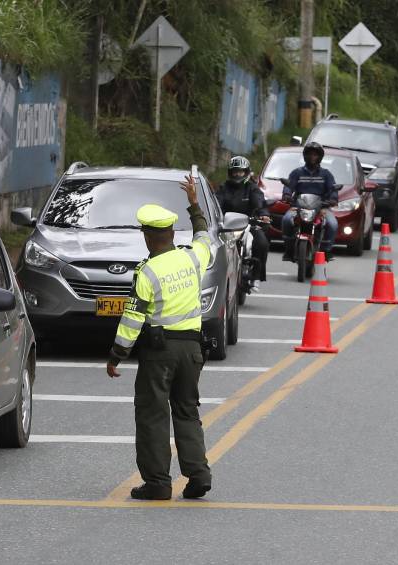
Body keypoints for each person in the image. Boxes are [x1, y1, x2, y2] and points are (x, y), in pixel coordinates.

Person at [105, 174, 212, 501]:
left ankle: (158, 483)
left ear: (150, 237)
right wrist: (194, 204)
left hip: (160, 353)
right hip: (192, 351)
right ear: (170, 233)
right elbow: (205, 236)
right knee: (186, 410)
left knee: (152, 415)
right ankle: (198, 474)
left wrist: (116, 355)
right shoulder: (193, 257)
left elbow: (132, 319)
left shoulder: (147, 272)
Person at [216, 156, 270, 291]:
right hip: (227, 226)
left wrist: (263, 215)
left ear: (246, 172)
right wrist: (215, 216)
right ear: (230, 173)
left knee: (262, 243)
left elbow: (259, 202)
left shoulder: (252, 188)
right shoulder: (224, 188)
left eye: (240, 171)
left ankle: (256, 276)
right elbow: (217, 203)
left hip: (249, 224)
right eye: (235, 171)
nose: (237, 174)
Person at [281, 142, 339, 261]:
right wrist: (287, 194)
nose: (312, 157)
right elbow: (289, 185)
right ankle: (289, 249)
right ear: (305, 156)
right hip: (298, 207)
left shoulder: (326, 174)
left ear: (320, 157)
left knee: (333, 224)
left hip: (321, 207)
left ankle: (326, 250)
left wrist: (333, 199)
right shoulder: (297, 172)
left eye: (315, 155)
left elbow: (333, 189)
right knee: (286, 220)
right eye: (309, 154)